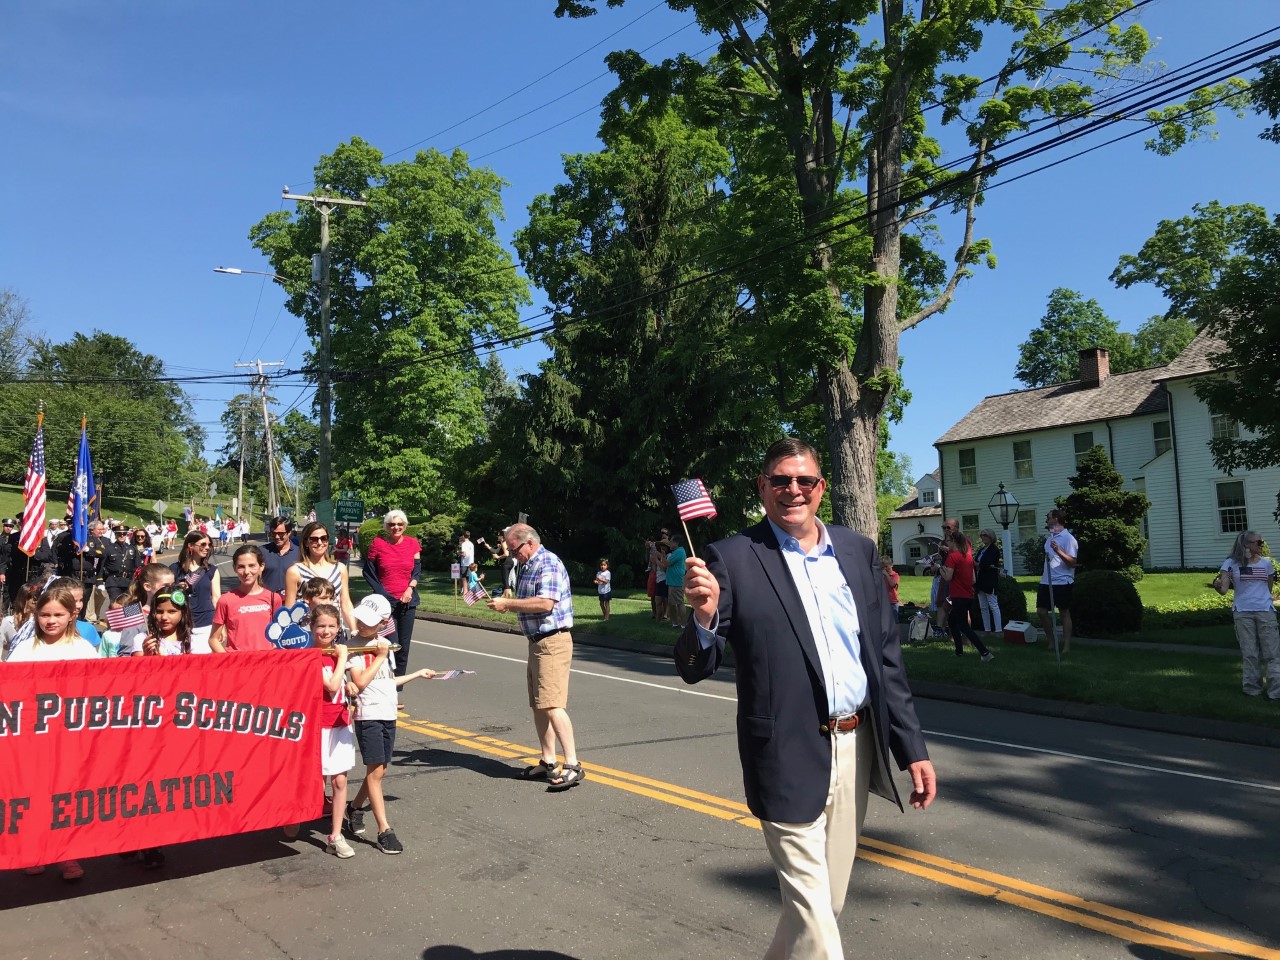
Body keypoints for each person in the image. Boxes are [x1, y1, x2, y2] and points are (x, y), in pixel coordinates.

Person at [677, 437, 936, 960]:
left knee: (821, 906)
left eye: (805, 481)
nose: (792, 490)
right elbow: (694, 667)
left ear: (822, 488)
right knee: (816, 918)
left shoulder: (856, 550)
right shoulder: (732, 557)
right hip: (783, 753)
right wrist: (704, 620)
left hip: (855, 746)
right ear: (762, 487)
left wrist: (912, 748)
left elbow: (886, 658)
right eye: (780, 480)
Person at [8, 584, 98, 883]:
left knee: (65, 799)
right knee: (34, 797)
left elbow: (102, 690)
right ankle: (36, 852)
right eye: (45, 614)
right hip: (34, 739)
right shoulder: (25, 650)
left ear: (72, 615)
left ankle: (67, 855)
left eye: (58, 614)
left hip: (71, 738)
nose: (51, 620)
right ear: (36, 615)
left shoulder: (83, 649)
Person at [486, 523, 585, 791]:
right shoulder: (527, 565)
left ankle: (573, 764)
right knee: (539, 704)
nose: (512, 555)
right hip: (537, 643)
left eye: (514, 549)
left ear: (529, 543)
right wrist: (510, 604)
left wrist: (508, 603)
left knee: (552, 704)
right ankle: (548, 761)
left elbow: (545, 603)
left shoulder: (548, 562)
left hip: (552, 641)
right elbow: (531, 603)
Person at [344, 594, 435, 854]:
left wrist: (417, 674)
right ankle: (384, 829)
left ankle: (353, 809)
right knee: (375, 772)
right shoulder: (354, 646)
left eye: (369, 622)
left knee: (380, 770)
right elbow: (360, 682)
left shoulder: (384, 645)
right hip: (368, 714)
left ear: (383, 622)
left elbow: (386, 681)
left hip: (387, 712)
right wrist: (380, 656)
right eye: (360, 619)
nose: (361, 624)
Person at [309, 603, 357, 858]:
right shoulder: (311, 656)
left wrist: (351, 689)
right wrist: (342, 659)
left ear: (338, 628)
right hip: (317, 727)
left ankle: (335, 834)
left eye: (331, 626)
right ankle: (295, 817)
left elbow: (341, 685)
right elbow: (330, 684)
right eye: (321, 626)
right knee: (316, 781)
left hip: (340, 724)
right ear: (312, 628)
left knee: (340, 780)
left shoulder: (338, 655)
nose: (326, 631)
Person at [1214, 530, 1280, 699]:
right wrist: (1217, 585)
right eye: (1257, 542)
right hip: (1242, 612)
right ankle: (1252, 689)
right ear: (1246, 545)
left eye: (1261, 541)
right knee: (1250, 652)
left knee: (1272, 653)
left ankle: (1276, 691)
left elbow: (1268, 588)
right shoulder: (1230, 563)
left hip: (1265, 611)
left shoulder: (1266, 564)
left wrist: (1263, 600)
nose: (1261, 544)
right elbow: (1223, 589)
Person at [362, 510, 421, 677]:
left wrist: (410, 588)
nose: (396, 527)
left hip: (407, 602)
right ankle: (383, 682)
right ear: (386, 526)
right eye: (392, 524)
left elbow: (417, 570)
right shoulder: (378, 544)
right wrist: (384, 595)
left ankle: (397, 687)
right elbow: (368, 572)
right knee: (389, 645)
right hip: (385, 604)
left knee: (403, 646)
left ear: (405, 525)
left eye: (399, 524)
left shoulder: (412, 543)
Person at [209, 545, 283, 653]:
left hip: (266, 662)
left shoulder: (274, 598)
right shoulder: (225, 600)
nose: (247, 571)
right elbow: (213, 639)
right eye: (241, 567)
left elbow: (280, 634)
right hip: (238, 665)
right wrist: (228, 660)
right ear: (234, 568)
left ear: (261, 566)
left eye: (252, 565)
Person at [285, 522, 357, 632]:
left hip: (334, 632)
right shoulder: (294, 571)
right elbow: (290, 608)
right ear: (306, 542)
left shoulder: (340, 569)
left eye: (324, 538)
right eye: (314, 539)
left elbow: (346, 602)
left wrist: (354, 630)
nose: (319, 543)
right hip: (306, 632)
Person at [941, 532, 995, 661]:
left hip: (958, 595)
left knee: (963, 625)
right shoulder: (968, 557)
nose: (946, 543)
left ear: (954, 542)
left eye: (948, 541)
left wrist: (939, 569)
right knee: (952, 621)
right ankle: (959, 652)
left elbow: (948, 577)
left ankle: (985, 653)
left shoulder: (952, 557)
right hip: (968, 595)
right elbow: (973, 579)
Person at [172, 530, 221, 654]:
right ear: (190, 545)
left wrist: (221, 627)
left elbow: (217, 599)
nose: (207, 548)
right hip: (181, 623)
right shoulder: (174, 569)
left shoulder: (211, 570)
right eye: (203, 544)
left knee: (204, 663)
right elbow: (165, 595)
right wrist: (176, 588)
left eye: (209, 545)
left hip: (206, 623)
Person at [1037, 509, 1078, 654]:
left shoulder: (1068, 538)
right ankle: (1052, 641)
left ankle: (1066, 646)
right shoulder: (1050, 538)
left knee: (1064, 612)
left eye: (1048, 518)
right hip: (1046, 581)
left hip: (1062, 582)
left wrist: (1059, 551)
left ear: (1055, 519)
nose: (1047, 521)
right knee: (1041, 611)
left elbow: (1072, 562)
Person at [261, 516, 300, 595]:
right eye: (273, 533)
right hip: (267, 602)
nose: (276, 537)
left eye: (281, 534)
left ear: (289, 533)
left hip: (292, 603)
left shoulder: (300, 553)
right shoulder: (261, 551)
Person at [974, 530, 1003, 634]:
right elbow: (977, 562)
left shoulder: (994, 550)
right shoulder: (982, 549)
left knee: (993, 605)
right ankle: (987, 629)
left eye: (985, 535)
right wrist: (978, 564)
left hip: (989, 580)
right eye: (981, 535)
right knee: (983, 606)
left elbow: (987, 563)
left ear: (991, 537)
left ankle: (998, 629)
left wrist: (979, 565)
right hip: (980, 579)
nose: (982, 537)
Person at [664, 535, 688, 628]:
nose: (670, 543)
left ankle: (683, 624)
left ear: (677, 543)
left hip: (677, 582)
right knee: (672, 603)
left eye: (671, 542)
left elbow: (666, 564)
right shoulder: (676, 552)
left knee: (679, 603)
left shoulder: (679, 552)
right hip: (672, 581)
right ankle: (674, 622)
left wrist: (661, 555)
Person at [880, 556, 900, 622]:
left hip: (893, 602)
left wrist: (886, 575)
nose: (884, 569)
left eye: (886, 566)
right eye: (883, 567)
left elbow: (892, 585)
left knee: (894, 621)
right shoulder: (881, 576)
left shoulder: (895, 575)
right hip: (883, 602)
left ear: (891, 565)